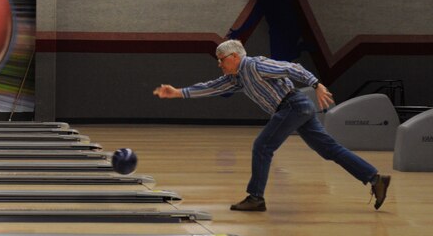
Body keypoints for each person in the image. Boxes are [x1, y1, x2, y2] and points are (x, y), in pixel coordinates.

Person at [152, 40, 390, 212]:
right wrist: (178, 93)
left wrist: (315, 83)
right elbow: (212, 86)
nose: (220, 65)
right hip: (296, 108)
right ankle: (374, 178)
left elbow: (291, 68)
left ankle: (255, 198)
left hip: (293, 105)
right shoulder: (237, 78)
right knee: (329, 150)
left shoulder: (255, 65)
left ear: (235, 56)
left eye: (221, 60)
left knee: (262, 146)